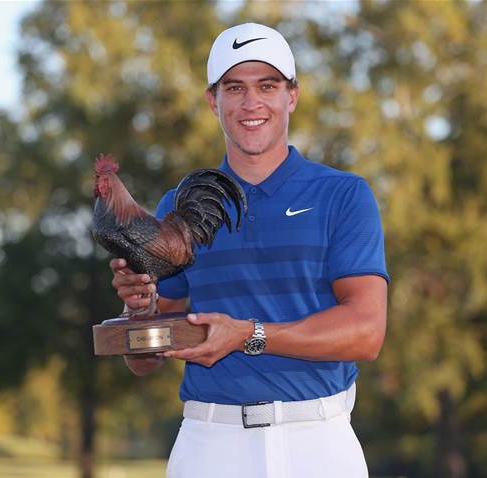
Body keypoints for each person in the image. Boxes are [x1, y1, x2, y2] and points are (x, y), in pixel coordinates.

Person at [109, 22, 388, 478]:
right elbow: (143, 360)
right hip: (208, 444)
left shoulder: (343, 195)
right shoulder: (181, 204)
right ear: (212, 100)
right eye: (234, 87)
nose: (251, 102)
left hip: (317, 441)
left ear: (291, 96)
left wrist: (248, 335)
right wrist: (140, 310)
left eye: (267, 85)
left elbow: (365, 332)